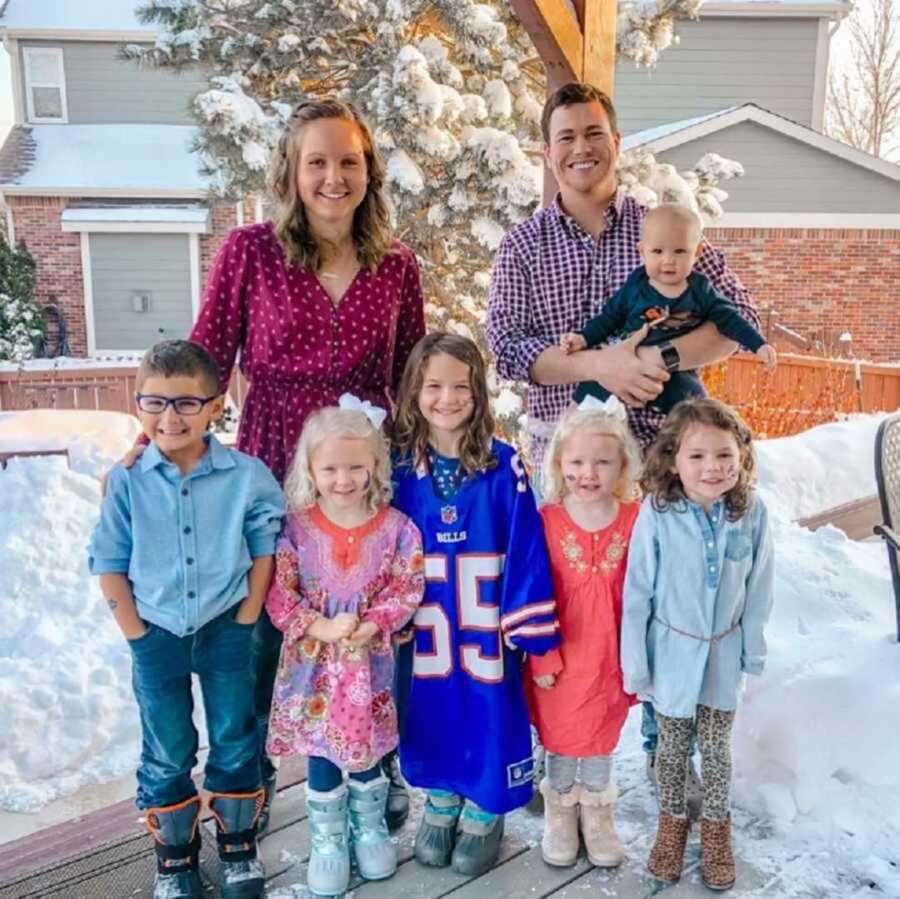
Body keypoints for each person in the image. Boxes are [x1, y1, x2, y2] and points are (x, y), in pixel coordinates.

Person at [486, 79, 761, 780]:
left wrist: (658, 358)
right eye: (566, 137)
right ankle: (564, 749)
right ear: (548, 154)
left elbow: (733, 317)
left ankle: (666, 757)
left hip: (663, 450)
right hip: (567, 461)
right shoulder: (523, 245)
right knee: (574, 607)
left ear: (616, 141)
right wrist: (606, 364)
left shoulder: (661, 229)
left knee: (664, 600)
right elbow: (510, 349)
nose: (581, 148)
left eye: (594, 133)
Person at [187, 97, 426, 831]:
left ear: (369, 171)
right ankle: (249, 783)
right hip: (271, 475)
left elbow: (413, 376)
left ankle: (375, 764)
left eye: (348, 160)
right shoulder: (249, 252)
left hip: (363, 480)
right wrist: (159, 443)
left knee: (372, 624)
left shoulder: (396, 265)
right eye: (316, 160)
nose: (333, 176)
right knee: (265, 630)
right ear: (290, 172)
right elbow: (202, 358)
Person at [89, 340, 284, 899]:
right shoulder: (126, 482)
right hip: (156, 634)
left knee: (234, 736)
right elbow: (109, 561)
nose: (169, 417)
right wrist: (137, 636)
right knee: (167, 746)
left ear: (216, 405)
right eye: (155, 402)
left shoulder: (246, 475)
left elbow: (263, 547)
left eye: (186, 403)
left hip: (227, 628)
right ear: (137, 402)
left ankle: (239, 849)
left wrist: (247, 618)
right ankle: (175, 858)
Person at [390, 333, 561, 877]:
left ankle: (487, 807)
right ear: (414, 390)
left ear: (479, 393)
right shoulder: (397, 472)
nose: (446, 398)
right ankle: (442, 800)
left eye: (460, 386)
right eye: (433, 385)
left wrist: (529, 632)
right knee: (431, 711)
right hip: (428, 634)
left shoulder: (503, 467)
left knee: (488, 710)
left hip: (486, 632)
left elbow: (527, 547)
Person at [264, 397, 424, 897]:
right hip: (313, 670)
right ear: (310, 468)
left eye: (356, 466)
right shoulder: (294, 528)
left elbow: (407, 585)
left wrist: (376, 623)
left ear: (375, 464)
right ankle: (329, 840)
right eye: (330, 468)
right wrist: (319, 626)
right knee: (322, 751)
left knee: (367, 749)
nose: (343, 479)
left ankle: (371, 827)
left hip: (369, 666)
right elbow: (278, 594)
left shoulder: (397, 528)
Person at [620, 398, 774, 890]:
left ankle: (715, 827)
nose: (713, 468)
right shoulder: (658, 512)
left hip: (723, 655)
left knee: (716, 749)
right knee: (670, 748)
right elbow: (638, 591)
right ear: (672, 460)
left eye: (725, 455)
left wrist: (752, 650)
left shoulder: (750, 512)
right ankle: (671, 823)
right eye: (698, 456)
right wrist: (635, 662)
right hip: (671, 655)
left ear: (741, 459)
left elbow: (759, 586)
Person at [525, 395, 641, 869]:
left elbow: (646, 593)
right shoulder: (546, 520)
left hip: (610, 653)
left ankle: (597, 816)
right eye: (576, 461)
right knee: (561, 736)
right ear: (558, 463)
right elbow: (530, 592)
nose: (588, 473)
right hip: (560, 653)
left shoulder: (636, 519)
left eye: (601, 462)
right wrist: (540, 655)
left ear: (622, 465)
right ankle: (559, 813)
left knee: (599, 735)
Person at [561, 204, 776, 413]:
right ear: (642, 252)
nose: (668, 260)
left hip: (674, 374)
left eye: (680, 251)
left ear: (697, 253)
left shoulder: (701, 291)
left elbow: (732, 320)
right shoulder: (637, 284)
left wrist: (758, 345)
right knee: (587, 397)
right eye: (657, 251)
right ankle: (568, 435)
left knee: (696, 408)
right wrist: (583, 338)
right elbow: (609, 317)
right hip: (623, 361)